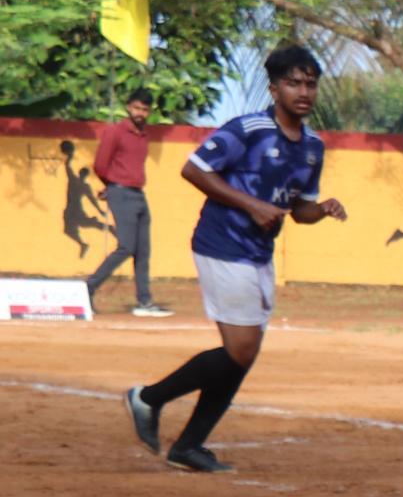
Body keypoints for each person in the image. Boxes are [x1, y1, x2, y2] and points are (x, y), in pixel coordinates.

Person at [123, 49, 347, 473]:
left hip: (258, 253)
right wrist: (251, 205)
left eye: (311, 84)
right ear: (275, 88)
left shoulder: (313, 147)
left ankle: (188, 445)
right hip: (222, 243)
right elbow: (194, 169)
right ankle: (148, 398)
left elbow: (300, 210)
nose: (304, 92)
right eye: (294, 83)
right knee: (241, 349)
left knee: (242, 353)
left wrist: (324, 209)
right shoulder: (248, 129)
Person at [85, 91, 170, 316]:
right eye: (136, 108)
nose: (140, 113)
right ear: (128, 107)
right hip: (121, 193)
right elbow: (100, 165)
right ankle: (89, 287)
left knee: (143, 251)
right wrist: (112, 185)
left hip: (139, 193)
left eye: (144, 109)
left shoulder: (143, 135)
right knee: (126, 247)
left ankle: (145, 301)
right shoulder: (115, 132)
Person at [58, 138, 111, 258]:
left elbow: (92, 201)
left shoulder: (82, 185)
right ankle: (83, 244)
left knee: (87, 224)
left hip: (76, 211)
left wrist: (101, 211)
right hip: (70, 210)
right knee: (68, 231)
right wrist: (70, 156)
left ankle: (108, 228)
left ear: (84, 175)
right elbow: (67, 167)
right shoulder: (74, 181)